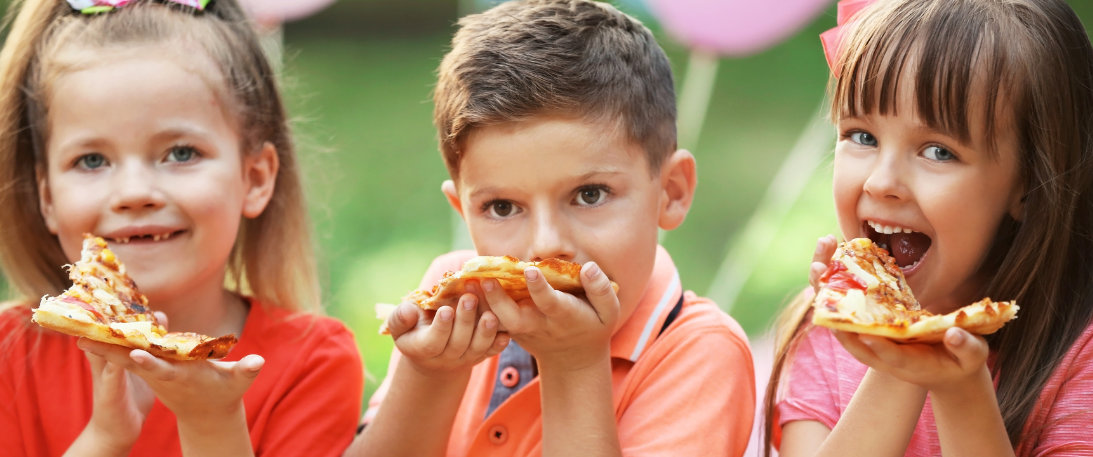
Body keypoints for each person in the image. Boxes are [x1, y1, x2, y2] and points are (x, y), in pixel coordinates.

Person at [345, 1, 755, 456]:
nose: (545, 246)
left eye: (590, 195)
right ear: (463, 210)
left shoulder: (700, 353)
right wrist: (429, 375)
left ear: (672, 192)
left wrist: (575, 367)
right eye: (502, 206)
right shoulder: (455, 299)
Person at [0, 0, 364, 455]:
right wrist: (105, 438)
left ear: (255, 177)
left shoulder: (313, 362)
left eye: (181, 153)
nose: (135, 192)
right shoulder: (9, 358)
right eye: (92, 160)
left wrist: (212, 422)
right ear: (47, 196)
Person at [764, 0, 1093, 455]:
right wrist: (900, 361)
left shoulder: (1079, 359)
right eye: (863, 136)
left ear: (1029, 186)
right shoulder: (823, 326)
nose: (881, 182)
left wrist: (960, 389)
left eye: (938, 151)